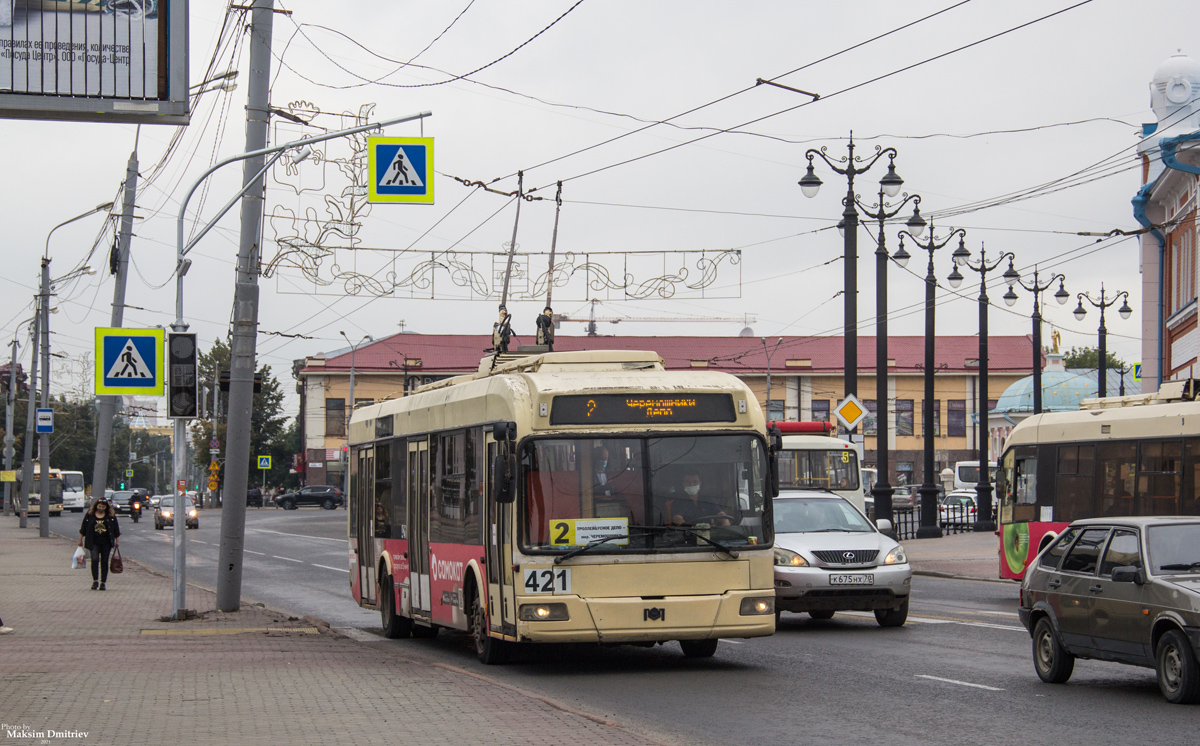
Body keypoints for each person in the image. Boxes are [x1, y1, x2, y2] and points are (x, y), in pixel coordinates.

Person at [78, 497, 120, 591]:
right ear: (96, 506)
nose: (101, 508)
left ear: (106, 507)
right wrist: (80, 539)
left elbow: (116, 529)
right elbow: (83, 528)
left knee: (104, 561)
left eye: (103, 507)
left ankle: (103, 582)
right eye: (99, 506)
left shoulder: (110, 516)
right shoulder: (90, 515)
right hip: (93, 542)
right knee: (95, 559)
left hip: (106, 543)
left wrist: (117, 540)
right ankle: (95, 581)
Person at [662, 473, 730, 527]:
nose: (691, 484)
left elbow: (721, 514)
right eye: (688, 482)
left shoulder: (708, 500)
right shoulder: (678, 502)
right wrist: (692, 529)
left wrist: (725, 524)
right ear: (683, 484)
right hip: (688, 535)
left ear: (700, 483)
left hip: (709, 535)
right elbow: (677, 519)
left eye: (695, 482)